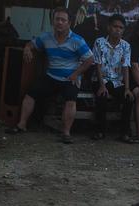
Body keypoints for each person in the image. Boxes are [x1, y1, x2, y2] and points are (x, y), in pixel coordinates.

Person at [6, 6, 93, 144]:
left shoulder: (77, 40)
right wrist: (27, 49)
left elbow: (90, 60)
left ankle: (66, 133)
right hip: (51, 76)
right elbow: (31, 44)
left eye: (63, 20)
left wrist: (76, 74)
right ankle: (21, 125)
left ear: (69, 23)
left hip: (69, 78)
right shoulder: (46, 37)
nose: (59, 22)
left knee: (71, 100)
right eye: (57, 19)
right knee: (30, 94)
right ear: (53, 22)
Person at [91, 13, 133, 141]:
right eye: (115, 26)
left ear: (123, 30)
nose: (117, 30)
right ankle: (100, 131)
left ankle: (124, 133)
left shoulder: (126, 46)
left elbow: (126, 67)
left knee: (128, 99)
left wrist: (127, 88)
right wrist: (102, 86)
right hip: (100, 79)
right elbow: (97, 65)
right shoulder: (100, 42)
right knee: (102, 95)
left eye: (120, 27)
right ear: (109, 27)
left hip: (116, 81)